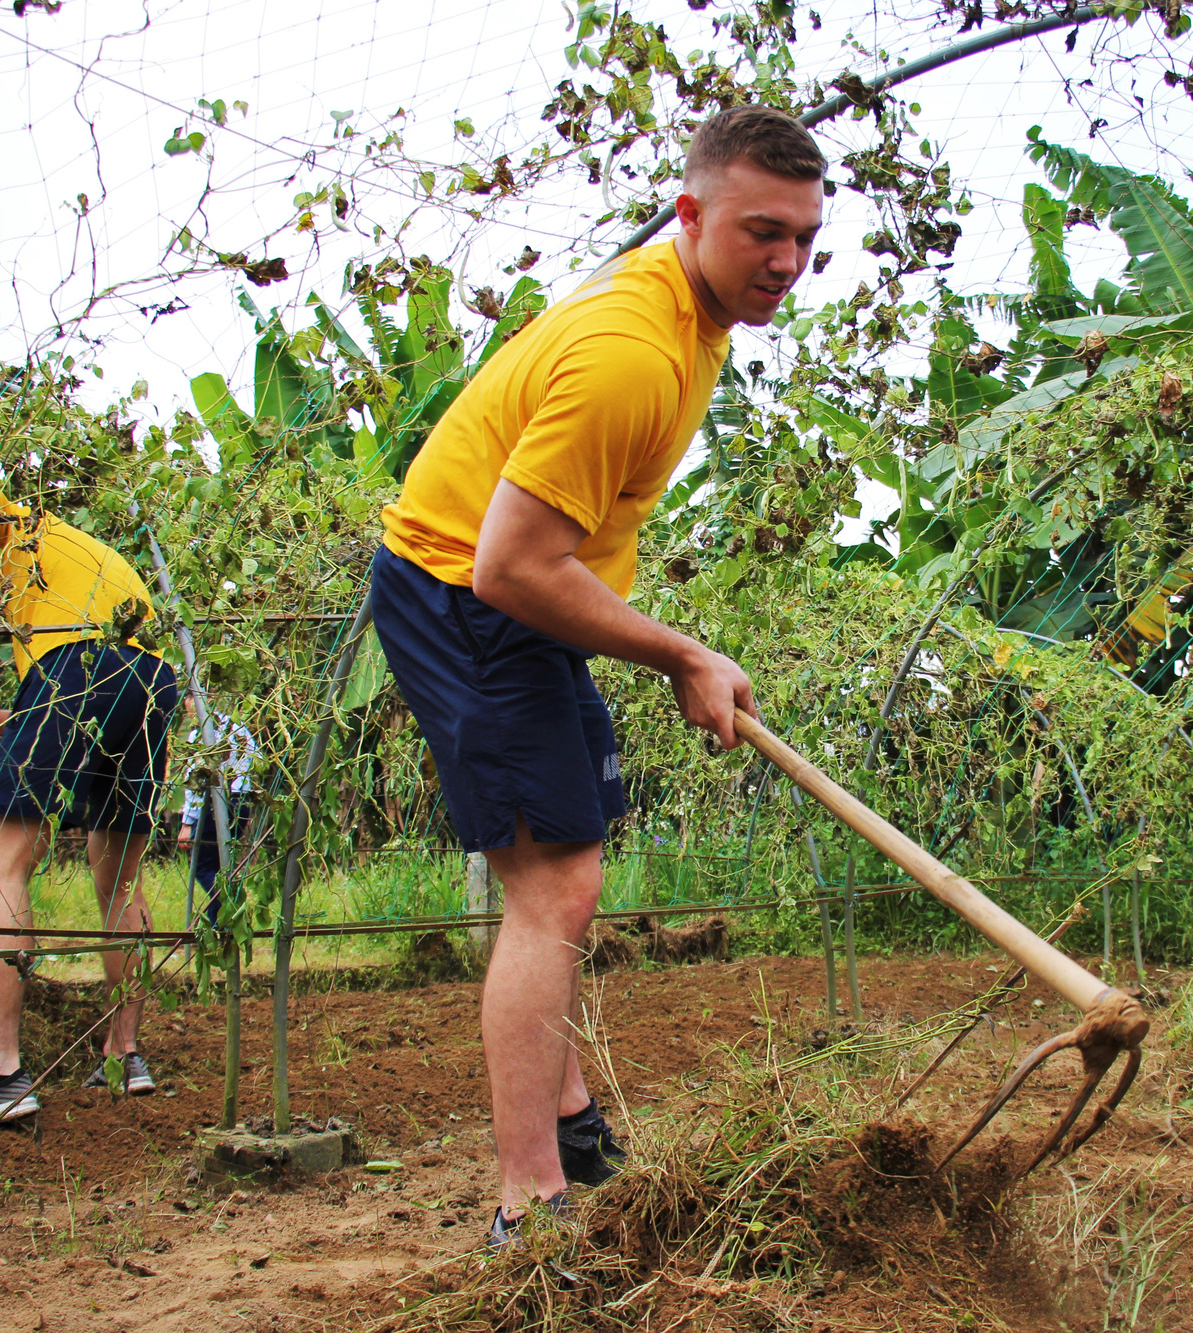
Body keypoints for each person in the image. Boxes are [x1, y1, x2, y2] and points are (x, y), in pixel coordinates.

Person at [369, 106, 824, 1244]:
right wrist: (679, 652)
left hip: (514, 592)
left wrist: (664, 649)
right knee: (551, 887)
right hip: (463, 591)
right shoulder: (630, 350)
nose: (785, 262)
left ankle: (569, 1126)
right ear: (690, 214)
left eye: (805, 238)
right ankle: (530, 1201)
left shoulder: (697, 306)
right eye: (761, 231)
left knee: (575, 853)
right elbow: (510, 562)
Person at [0, 458, 180, 1124]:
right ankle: (123, 1054)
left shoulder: (18, 530)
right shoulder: (85, 567)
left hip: (81, 663)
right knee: (121, 879)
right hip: (153, 682)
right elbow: (95, 684)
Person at [177, 711, 256, 924]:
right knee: (222, 866)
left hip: (215, 803)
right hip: (241, 803)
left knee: (203, 867)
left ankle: (227, 908)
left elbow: (195, 778)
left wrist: (187, 822)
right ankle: (217, 924)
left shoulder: (202, 733)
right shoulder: (241, 730)